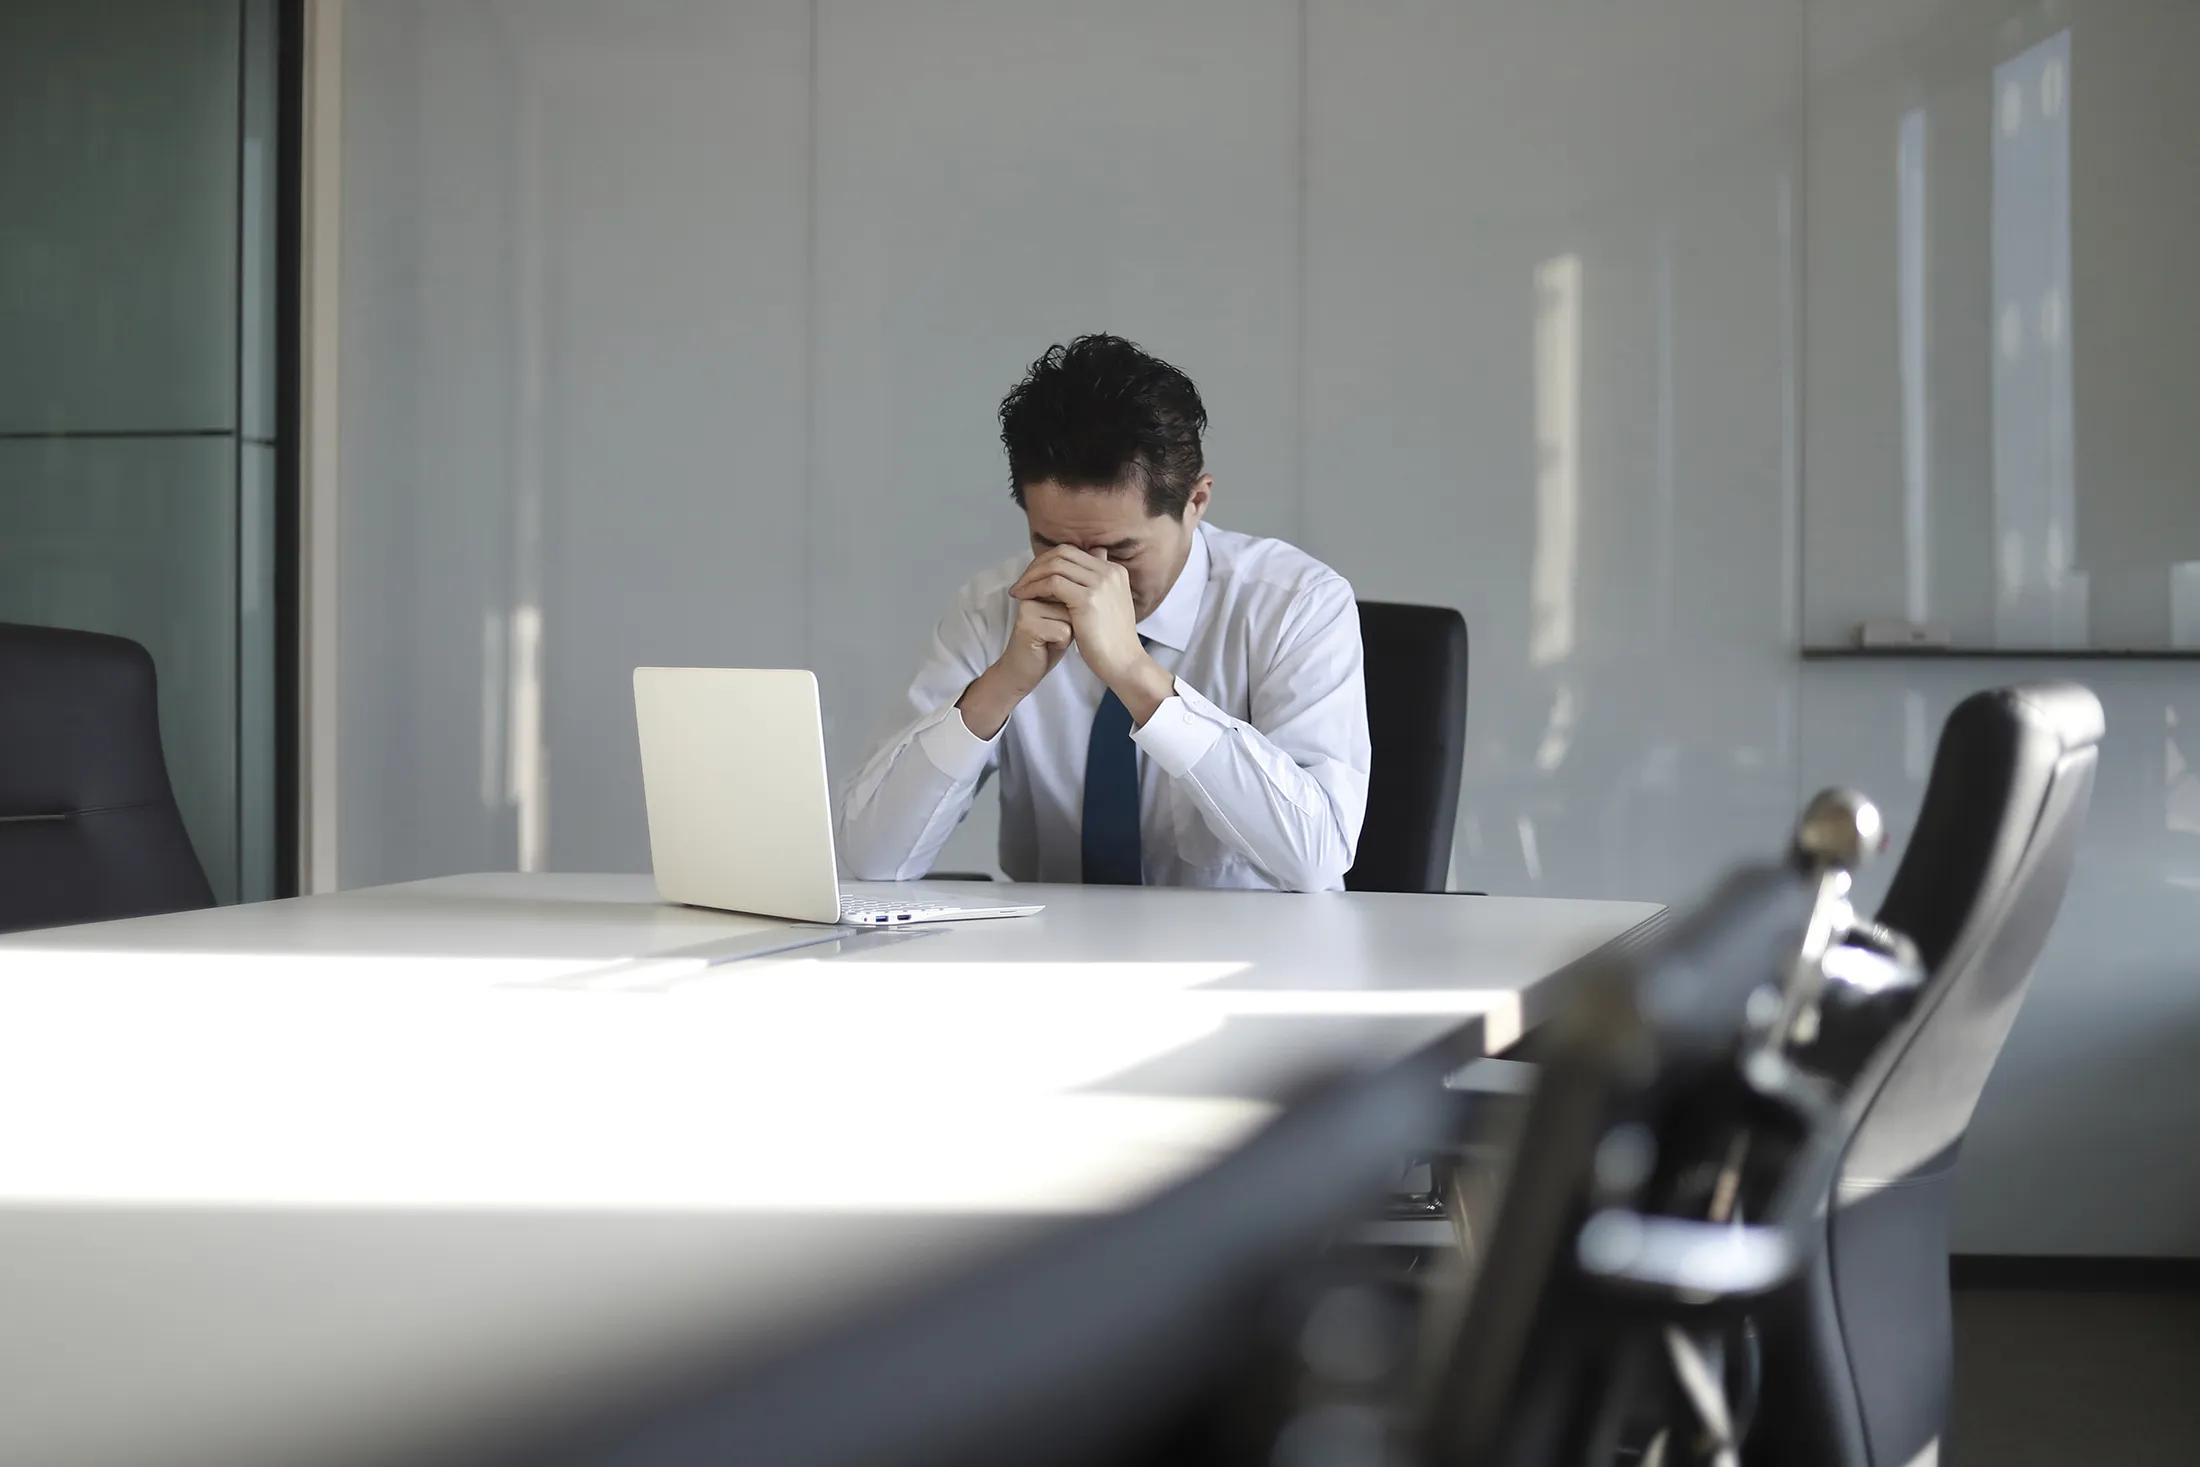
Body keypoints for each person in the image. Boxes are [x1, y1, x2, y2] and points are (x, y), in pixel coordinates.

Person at [838, 334, 1370, 892]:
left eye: (1121, 551)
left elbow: (1317, 858)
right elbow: (870, 860)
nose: (1089, 579)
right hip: (1052, 942)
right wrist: (1000, 687)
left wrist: (1135, 675)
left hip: (1256, 944)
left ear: (1196, 503)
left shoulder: (1295, 604)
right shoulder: (993, 606)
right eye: (1050, 545)